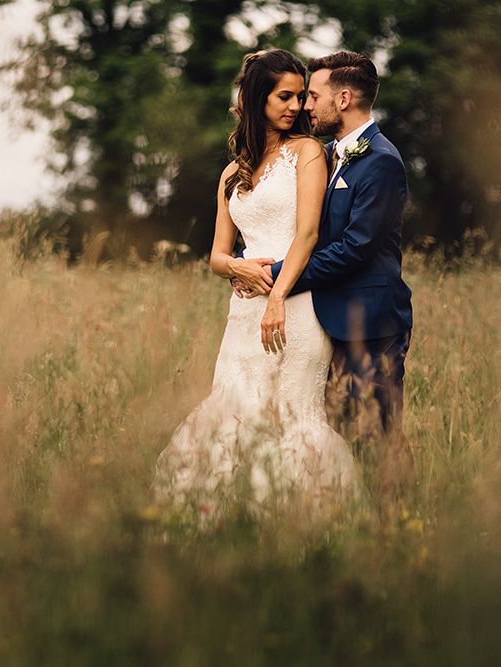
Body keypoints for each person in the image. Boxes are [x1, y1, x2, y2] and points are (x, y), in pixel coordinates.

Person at [151, 50, 359, 514]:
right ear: (255, 98)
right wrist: (238, 267)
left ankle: (301, 520)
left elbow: (307, 233)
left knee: (292, 414)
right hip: (243, 314)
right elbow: (217, 256)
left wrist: (277, 295)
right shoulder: (232, 173)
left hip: (296, 306)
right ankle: (230, 518)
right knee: (235, 412)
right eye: (284, 96)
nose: (296, 106)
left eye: (302, 96)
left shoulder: (308, 153)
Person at [232, 51, 413, 442]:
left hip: (371, 324)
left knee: (377, 439)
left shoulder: (382, 161)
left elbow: (354, 248)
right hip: (329, 318)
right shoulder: (331, 154)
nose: (305, 106)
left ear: (343, 99)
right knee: (335, 434)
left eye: (313, 96)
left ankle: (397, 505)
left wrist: (272, 275)